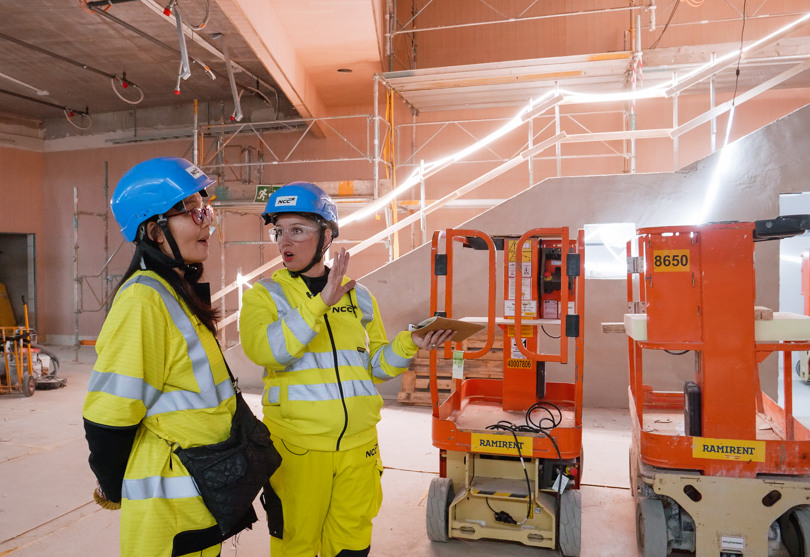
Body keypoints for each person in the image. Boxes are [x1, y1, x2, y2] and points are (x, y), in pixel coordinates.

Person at [239, 182, 453, 557]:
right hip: (298, 449)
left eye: (298, 230)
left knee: (351, 544)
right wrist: (317, 305)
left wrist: (409, 344)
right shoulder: (264, 296)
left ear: (326, 235)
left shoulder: (359, 297)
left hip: (359, 448)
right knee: (296, 545)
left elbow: (370, 368)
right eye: (279, 231)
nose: (284, 242)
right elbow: (266, 351)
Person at [83, 157, 254, 556]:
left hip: (199, 496)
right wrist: (111, 485)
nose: (206, 222)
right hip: (167, 508)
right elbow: (108, 416)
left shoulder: (176, 293)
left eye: (206, 210)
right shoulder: (144, 300)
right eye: (193, 213)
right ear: (153, 230)